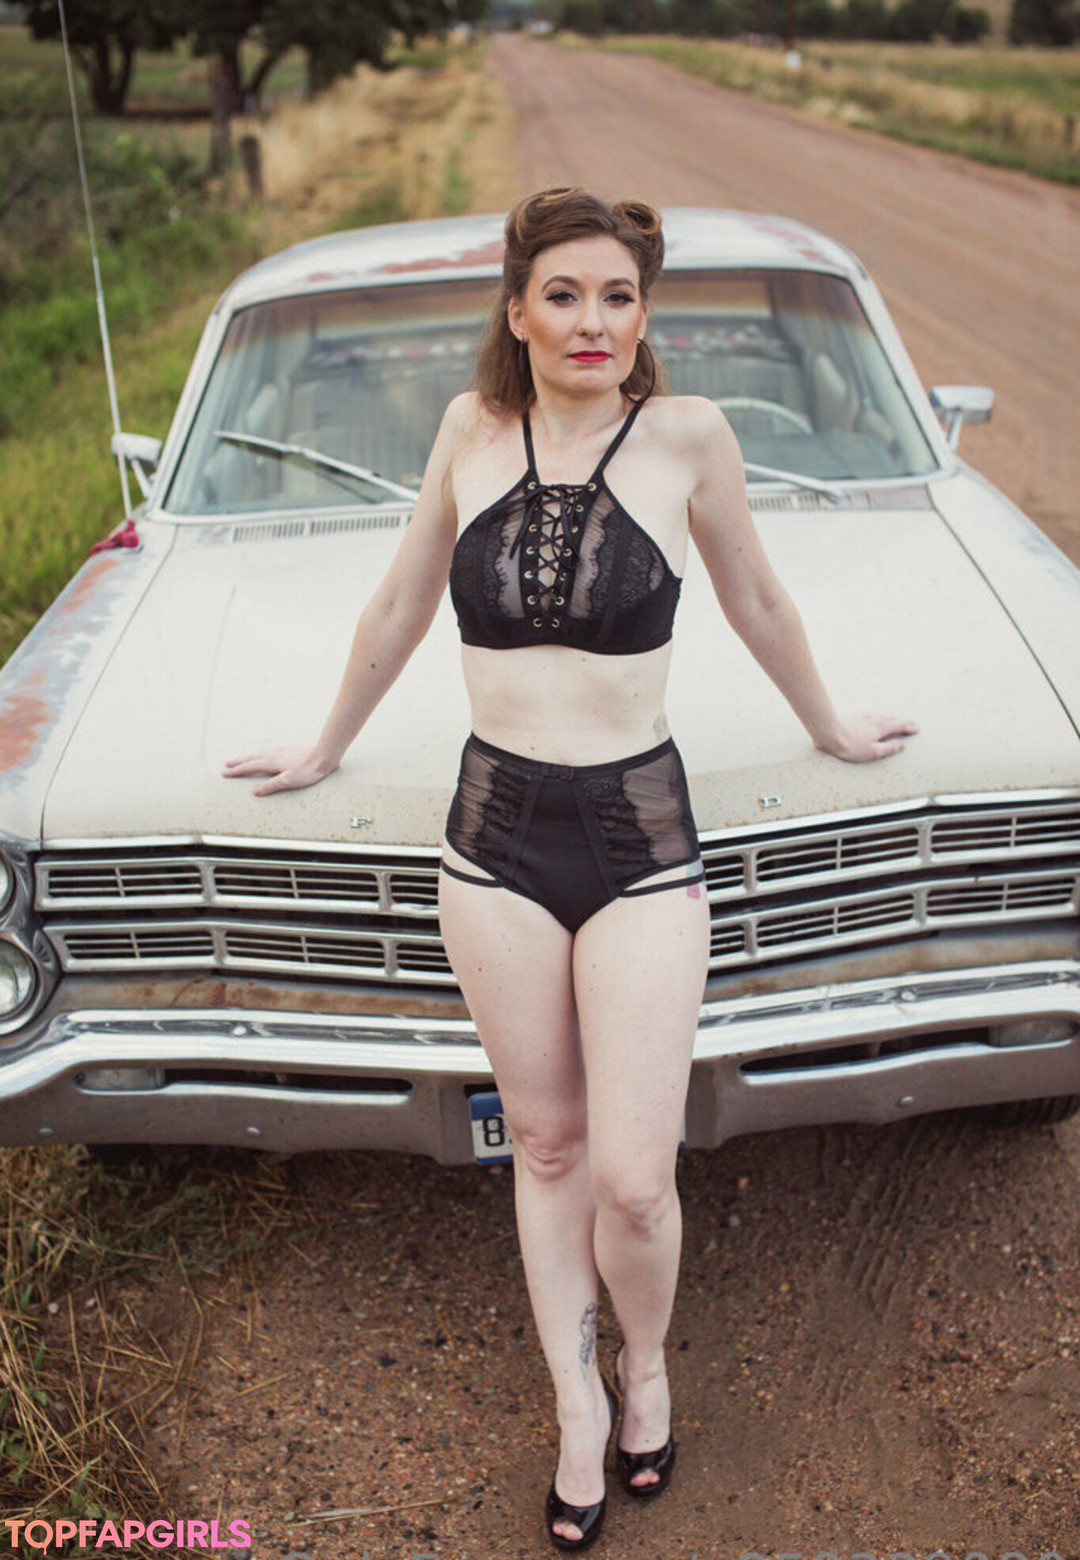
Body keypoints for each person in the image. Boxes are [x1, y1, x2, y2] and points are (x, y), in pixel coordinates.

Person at [223, 186, 917, 1551]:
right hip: (495, 838)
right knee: (544, 1141)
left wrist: (831, 724)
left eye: (618, 296)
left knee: (634, 1177)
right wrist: (322, 746)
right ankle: (577, 1407)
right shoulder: (469, 431)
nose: (593, 319)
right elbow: (402, 599)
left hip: (638, 836)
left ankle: (646, 1367)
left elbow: (757, 597)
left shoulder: (689, 438)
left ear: (644, 316)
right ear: (518, 311)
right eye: (564, 294)